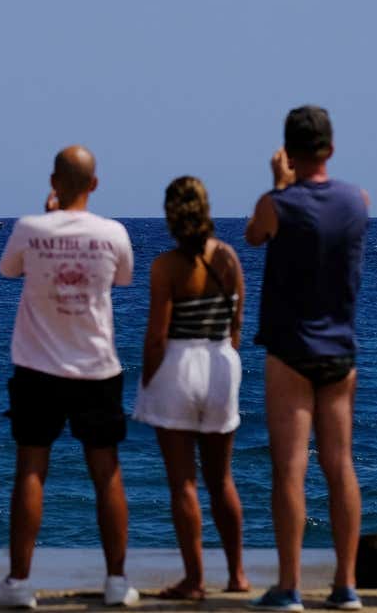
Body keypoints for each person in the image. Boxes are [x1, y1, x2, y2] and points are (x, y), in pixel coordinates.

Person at [0, 146, 139, 610]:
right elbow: (123, 279)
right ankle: (115, 582)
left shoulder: (30, 229)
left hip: (36, 368)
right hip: (97, 368)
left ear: (54, 181)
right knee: (107, 473)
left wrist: (48, 219)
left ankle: (19, 584)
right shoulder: (113, 233)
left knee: (31, 470)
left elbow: (7, 269)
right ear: (95, 184)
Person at [244, 106, 369, 612]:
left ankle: (290, 586)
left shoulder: (277, 203)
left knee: (290, 468)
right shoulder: (358, 201)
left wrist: (279, 186)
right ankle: (346, 585)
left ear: (288, 152)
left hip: (290, 348)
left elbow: (255, 235)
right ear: (331, 150)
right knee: (341, 465)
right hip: (341, 348)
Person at [134, 176, 249, 600]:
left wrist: (147, 381)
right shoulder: (229, 258)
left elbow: (157, 336)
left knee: (183, 483)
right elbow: (236, 326)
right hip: (221, 363)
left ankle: (195, 579)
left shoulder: (165, 266)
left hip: (178, 367)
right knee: (222, 480)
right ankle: (237, 574)